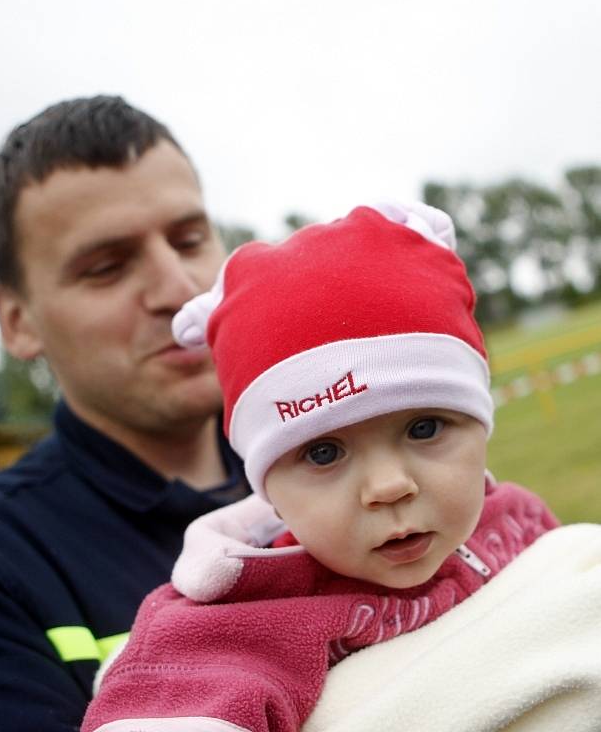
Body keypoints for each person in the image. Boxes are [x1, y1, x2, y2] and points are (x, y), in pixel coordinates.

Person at [81, 201, 560, 732]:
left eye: (424, 428)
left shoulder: (516, 519)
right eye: (324, 453)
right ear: (269, 492)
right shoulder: (246, 618)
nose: (389, 486)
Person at [0, 96, 248, 730]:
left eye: (189, 238)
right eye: (106, 267)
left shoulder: (345, 447)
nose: (178, 287)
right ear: (16, 320)